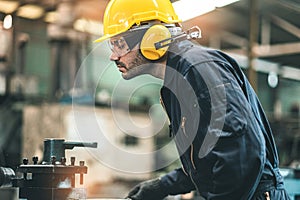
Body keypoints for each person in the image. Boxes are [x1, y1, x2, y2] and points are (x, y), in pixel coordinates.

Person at [95, 0, 291, 199]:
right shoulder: (178, 81)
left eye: (119, 44)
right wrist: (163, 186)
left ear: (152, 37)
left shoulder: (200, 68)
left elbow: (242, 158)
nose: (113, 56)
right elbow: (207, 163)